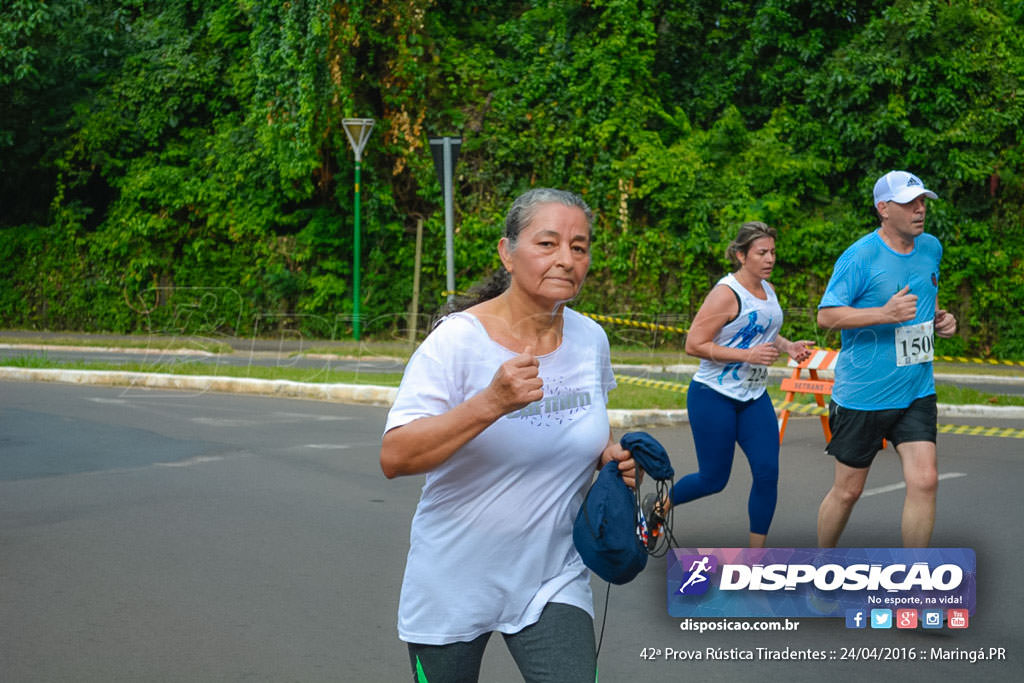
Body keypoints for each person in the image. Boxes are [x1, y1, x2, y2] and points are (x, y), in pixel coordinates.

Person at [379, 188, 638, 683]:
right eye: (547, 244)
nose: (566, 259)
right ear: (507, 252)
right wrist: (490, 403)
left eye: (579, 247)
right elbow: (395, 456)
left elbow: (588, 435)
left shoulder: (591, 340)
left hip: (552, 576)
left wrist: (612, 459)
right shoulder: (457, 341)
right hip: (453, 579)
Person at [645, 222, 813, 548]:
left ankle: (756, 557)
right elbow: (694, 344)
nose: (770, 259)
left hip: (753, 397)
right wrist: (747, 355)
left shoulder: (768, 289)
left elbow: (761, 329)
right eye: (762, 252)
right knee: (713, 480)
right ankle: (659, 507)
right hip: (713, 397)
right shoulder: (726, 293)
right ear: (741, 255)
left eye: (773, 252)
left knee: (767, 474)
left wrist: (788, 346)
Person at [815, 170, 956, 548]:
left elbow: (927, 294)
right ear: (883, 208)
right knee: (847, 491)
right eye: (910, 202)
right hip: (864, 394)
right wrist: (885, 314)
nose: (920, 209)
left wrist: (942, 319)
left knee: (925, 480)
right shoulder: (859, 256)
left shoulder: (931, 247)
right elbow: (826, 316)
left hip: (916, 389)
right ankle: (821, 563)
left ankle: (914, 578)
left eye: (923, 201)